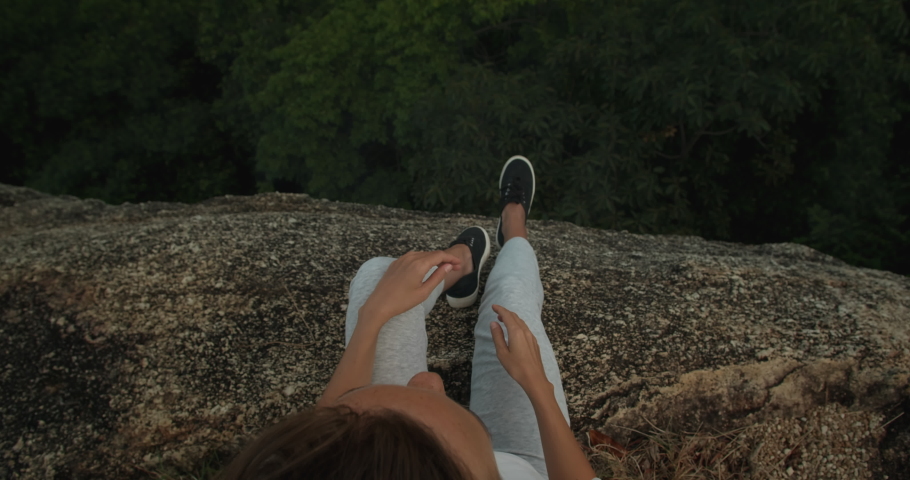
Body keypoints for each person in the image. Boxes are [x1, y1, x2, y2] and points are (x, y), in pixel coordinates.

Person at [219, 156, 599, 480]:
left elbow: (325, 439)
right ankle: (514, 226)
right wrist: (540, 390)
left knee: (376, 280)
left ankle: (460, 266)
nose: (430, 379)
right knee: (513, 307)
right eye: (435, 393)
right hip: (526, 463)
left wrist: (373, 317)